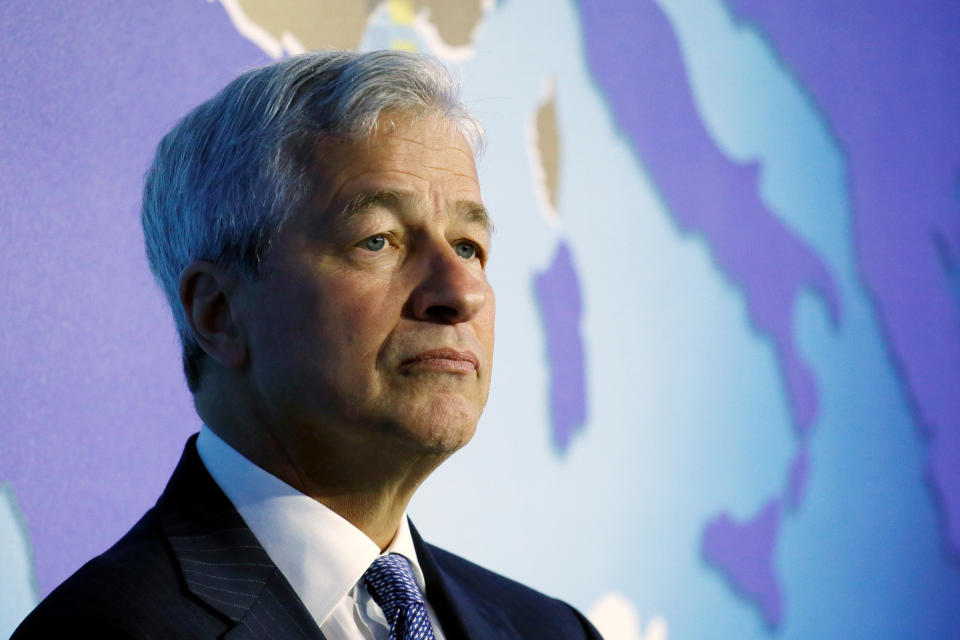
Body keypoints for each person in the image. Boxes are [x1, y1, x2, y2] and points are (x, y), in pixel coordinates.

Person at [13, 50, 601, 639]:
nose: (461, 291)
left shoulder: (552, 629)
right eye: (378, 240)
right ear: (219, 313)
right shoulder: (103, 631)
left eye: (469, 245)